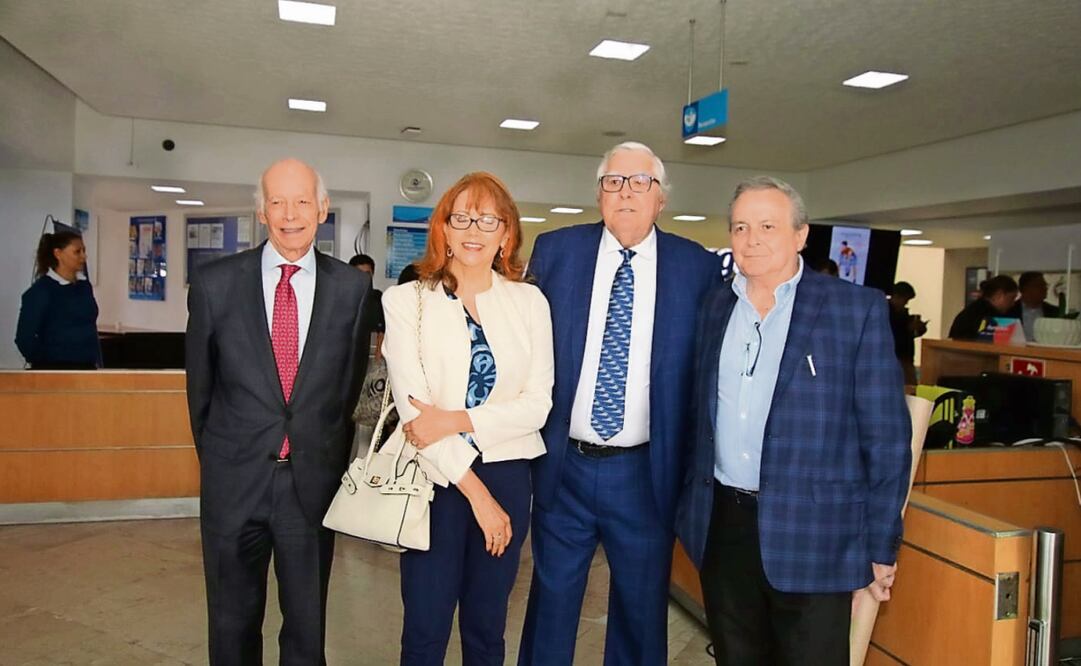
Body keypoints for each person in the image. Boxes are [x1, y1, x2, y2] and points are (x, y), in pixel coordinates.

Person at [676, 176, 912, 665]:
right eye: (740, 226)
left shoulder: (854, 310)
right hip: (724, 527)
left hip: (817, 536)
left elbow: (887, 441)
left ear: (800, 235)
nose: (752, 238)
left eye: (767, 225)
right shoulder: (714, 306)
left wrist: (881, 544)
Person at [519, 142, 722, 665]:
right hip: (564, 464)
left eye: (639, 183)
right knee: (551, 601)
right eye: (613, 182)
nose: (625, 193)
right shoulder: (557, 252)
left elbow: (706, 372)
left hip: (645, 474)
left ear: (660, 199)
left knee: (639, 608)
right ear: (599, 195)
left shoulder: (695, 267)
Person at [185, 158, 371, 665]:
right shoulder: (215, 283)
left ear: (323, 208)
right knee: (230, 624)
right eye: (277, 201)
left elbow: (346, 388)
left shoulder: (352, 290)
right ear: (261, 212)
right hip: (234, 484)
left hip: (309, 488)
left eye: (303, 200)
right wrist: (225, 461)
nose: (291, 214)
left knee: (307, 629)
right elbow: (199, 390)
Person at [381, 172, 553, 665]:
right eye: (461, 218)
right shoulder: (406, 300)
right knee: (425, 629)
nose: (473, 230)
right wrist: (478, 498)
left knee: (486, 628)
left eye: (487, 220)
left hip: (509, 477)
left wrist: (453, 418)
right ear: (443, 229)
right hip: (436, 482)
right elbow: (417, 416)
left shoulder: (529, 302)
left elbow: (537, 405)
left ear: (506, 234)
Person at [15, 230, 101, 369]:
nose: (83, 256)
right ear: (58, 254)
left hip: (87, 368)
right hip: (55, 372)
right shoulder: (41, 291)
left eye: (84, 251)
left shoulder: (84, 286)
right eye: (77, 252)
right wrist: (48, 364)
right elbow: (24, 339)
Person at [948, 274, 1018, 340]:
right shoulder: (988, 316)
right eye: (1011, 298)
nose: (1012, 304)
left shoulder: (974, 309)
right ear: (999, 295)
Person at [888, 281, 927, 385]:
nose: (906, 303)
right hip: (896, 358)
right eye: (905, 300)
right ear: (896, 296)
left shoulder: (901, 314)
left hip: (905, 358)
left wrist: (919, 329)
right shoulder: (887, 313)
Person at [348, 253, 386, 361]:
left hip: (373, 354)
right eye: (358, 273)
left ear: (372, 274)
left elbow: (383, 329)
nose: (364, 278)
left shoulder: (379, 298)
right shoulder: (342, 299)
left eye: (367, 274)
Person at [1008, 271, 1058, 341]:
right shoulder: (1009, 310)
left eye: (1045, 285)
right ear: (1025, 288)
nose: (1045, 288)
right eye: (1040, 285)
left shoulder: (1054, 312)